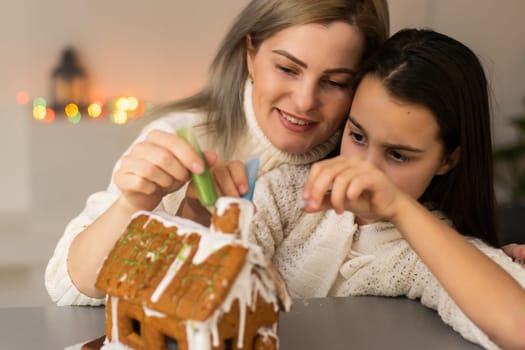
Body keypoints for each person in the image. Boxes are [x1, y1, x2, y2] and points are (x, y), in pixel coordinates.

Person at [45, 0, 390, 305]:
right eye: (287, 69)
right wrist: (133, 205)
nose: (304, 101)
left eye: (335, 82)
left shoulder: (371, 163)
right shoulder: (185, 137)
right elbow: (69, 287)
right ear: (250, 54)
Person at [247, 29, 525, 349]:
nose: (365, 171)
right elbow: (215, 261)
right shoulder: (287, 191)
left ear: (448, 160)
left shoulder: (422, 255)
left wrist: (398, 206)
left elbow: (518, 327)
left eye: (397, 155)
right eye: (358, 136)